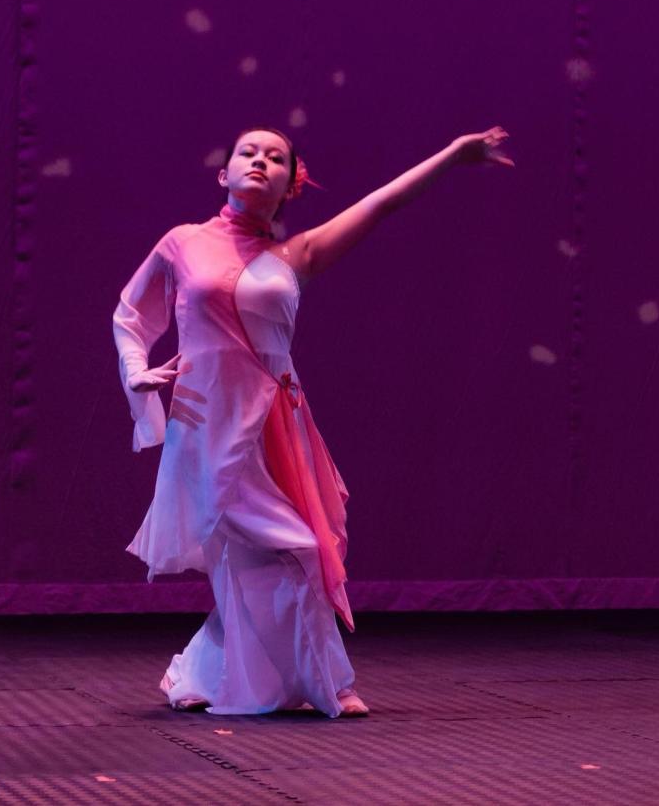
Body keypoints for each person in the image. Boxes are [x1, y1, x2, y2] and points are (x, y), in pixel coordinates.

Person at [112, 124, 513, 719]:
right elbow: (129, 314)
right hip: (207, 423)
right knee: (285, 550)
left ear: (289, 187)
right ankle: (324, 681)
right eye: (248, 152)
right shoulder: (183, 242)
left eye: (276, 158)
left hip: (278, 422)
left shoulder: (295, 255)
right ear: (223, 173)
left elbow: (383, 202)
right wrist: (136, 370)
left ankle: (205, 672)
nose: (260, 161)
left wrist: (453, 155)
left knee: (263, 557)